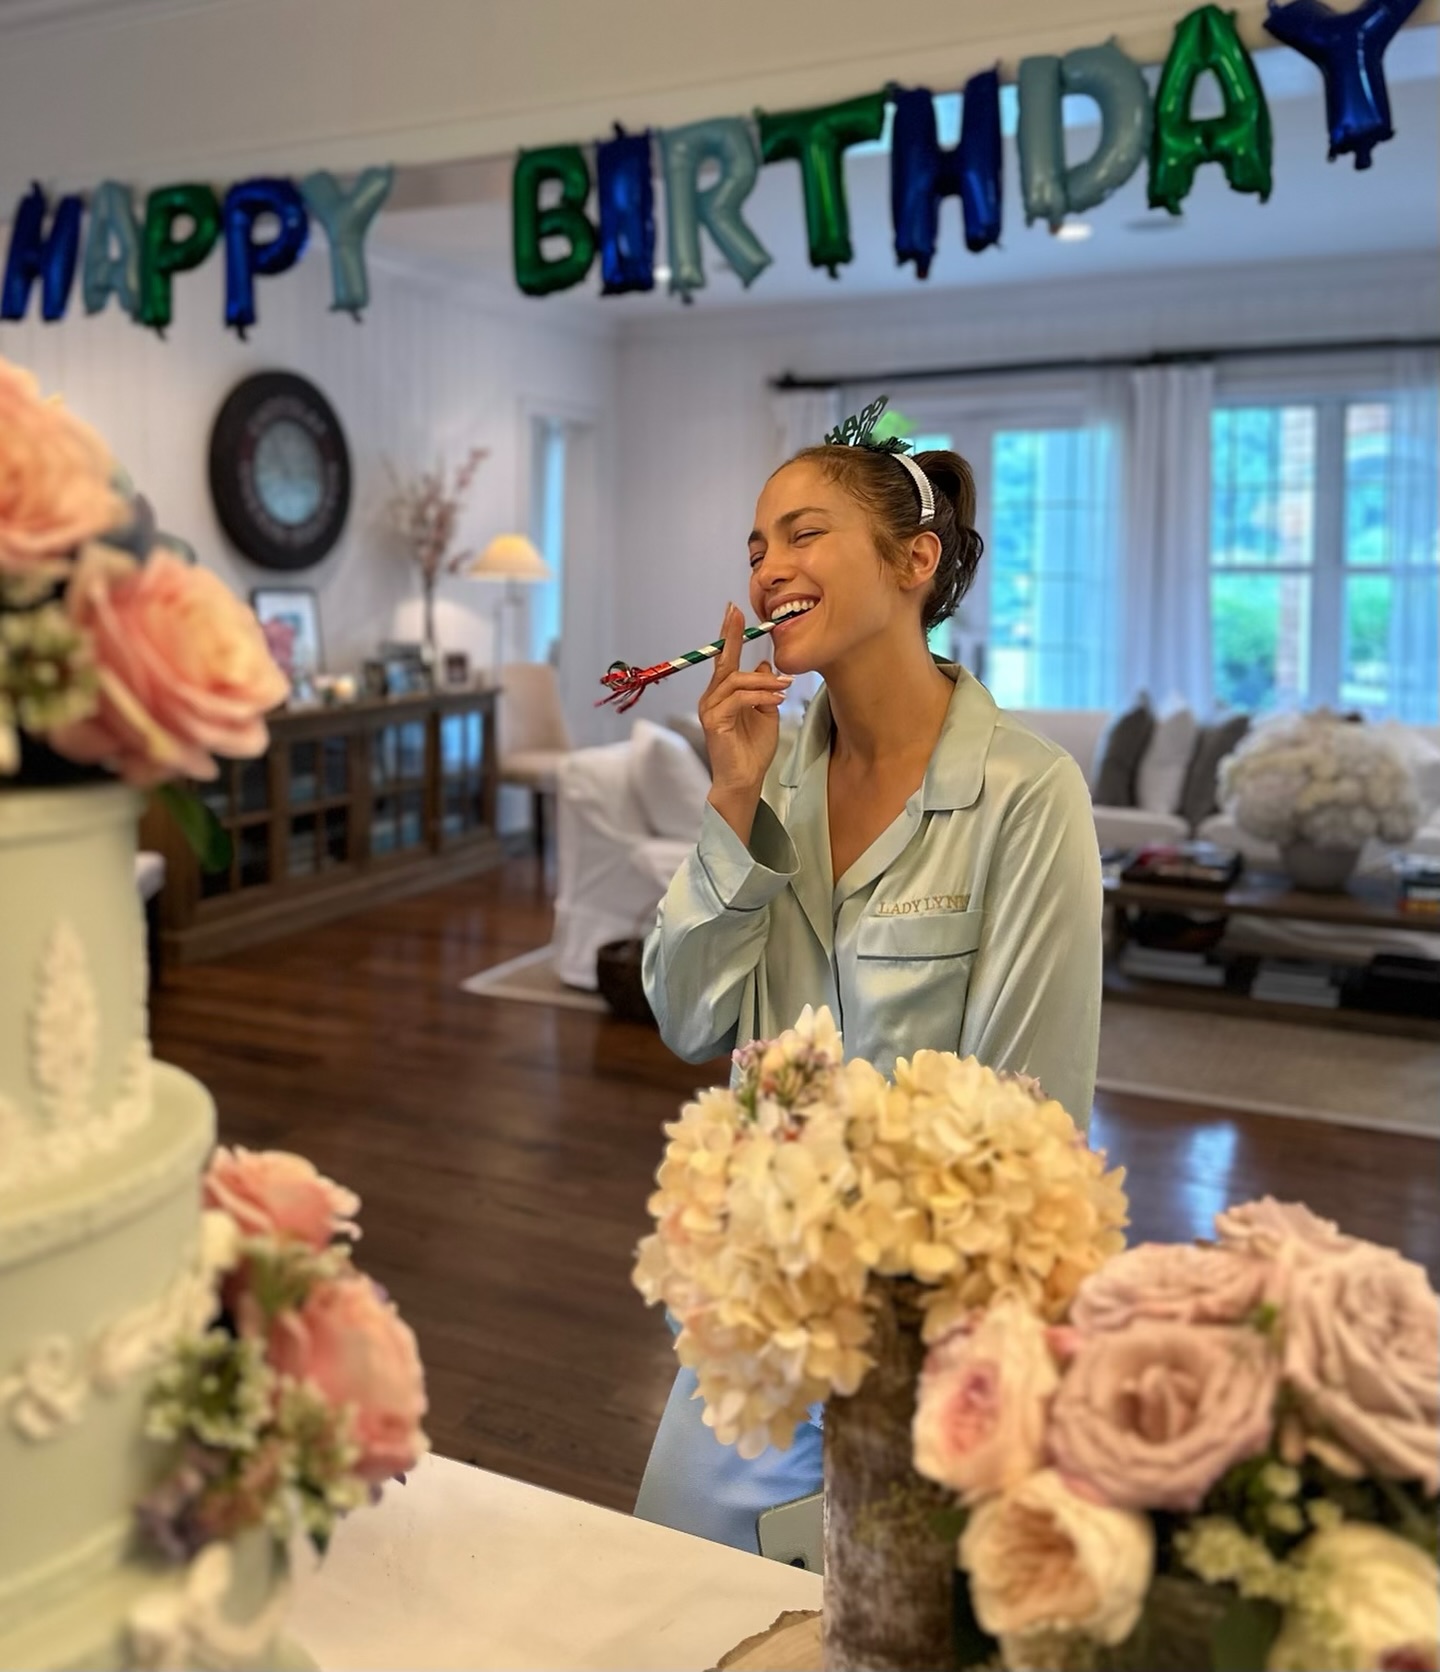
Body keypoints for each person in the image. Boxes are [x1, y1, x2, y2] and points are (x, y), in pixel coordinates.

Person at [632, 411, 1103, 1553]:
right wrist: (733, 804)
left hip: (936, 1335)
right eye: (753, 547)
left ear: (914, 559)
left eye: (802, 533)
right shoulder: (770, 776)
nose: (768, 567)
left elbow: (1027, 1125)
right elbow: (687, 1016)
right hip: (761, 1317)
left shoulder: (1027, 797)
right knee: (670, 1591)